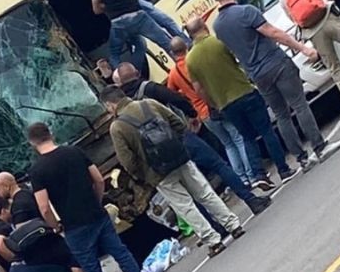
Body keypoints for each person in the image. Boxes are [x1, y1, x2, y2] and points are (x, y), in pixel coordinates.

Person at [26, 122, 160, 272]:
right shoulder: (74, 151)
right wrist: (96, 201)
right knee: (123, 256)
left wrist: (55, 225)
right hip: (97, 215)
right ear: (50, 133)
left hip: (73, 226)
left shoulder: (37, 171)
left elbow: (43, 206)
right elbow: (98, 179)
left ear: (32, 143)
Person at [211, 0, 340, 171]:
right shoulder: (246, 12)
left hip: (256, 74)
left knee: (282, 115)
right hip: (275, 63)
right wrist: (303, 49)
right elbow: (272, 32)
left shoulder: (218, 27)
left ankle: (302, 159)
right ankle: (319, 146)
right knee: (299, 104)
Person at [100, 85, 246, 255]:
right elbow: (178, 123)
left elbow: (127, 160)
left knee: (185, 205)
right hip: (181, 158)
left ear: (111, 105)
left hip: (157, 172)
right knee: (205, 192)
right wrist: (176, 146)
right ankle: (233, 225)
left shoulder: (117, 127)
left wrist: (144, 174)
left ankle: (213, 240)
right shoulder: (149, 104)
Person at [113, 62, 272, 215]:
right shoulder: (150, 89)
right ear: (137, 74)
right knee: (218, 164)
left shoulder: (123, 112)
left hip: (158, 157)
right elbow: (177, 99)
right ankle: (251, 200)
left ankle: (215, 227)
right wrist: (191, 116)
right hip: (179, 139)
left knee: (187, 192)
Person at [184, 17, 295, 186]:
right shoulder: (219, 42)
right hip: (244, 91)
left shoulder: (190, 60)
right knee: (266, 131)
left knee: (247, 137)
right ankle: (283, 169)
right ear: (204, 26)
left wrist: (214, 103)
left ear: (190, 35)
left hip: (225, 103)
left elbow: (198, 89)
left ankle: (258, 174)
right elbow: (239, 61)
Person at [166, 37, 257, 188]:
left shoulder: (174, 74)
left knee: (227, 144)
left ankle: (241, 178)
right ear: (186, 47)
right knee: (238, 138)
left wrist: (185, 94)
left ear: (172, 53)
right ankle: (252, 174)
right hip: (218, 103)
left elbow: (171, 93)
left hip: (203, 113)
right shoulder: (195, 62)